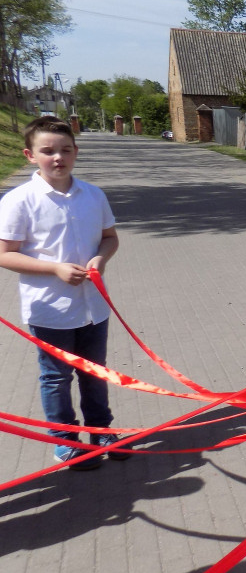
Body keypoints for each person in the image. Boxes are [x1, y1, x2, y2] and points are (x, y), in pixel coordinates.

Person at [0, 117, 121, 470]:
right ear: (30, 155)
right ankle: (65, 442)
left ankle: (102, 432)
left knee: (95, 371)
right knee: (56, 376)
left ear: (76, 153)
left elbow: (110, 237)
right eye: (48, 151)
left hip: (94, 307)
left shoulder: (92, 194)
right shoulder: (19, 201)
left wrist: (100, 258)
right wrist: (55, 268)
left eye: (65, 150)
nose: (57, 158)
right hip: (50, 309)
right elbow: (5, 254)